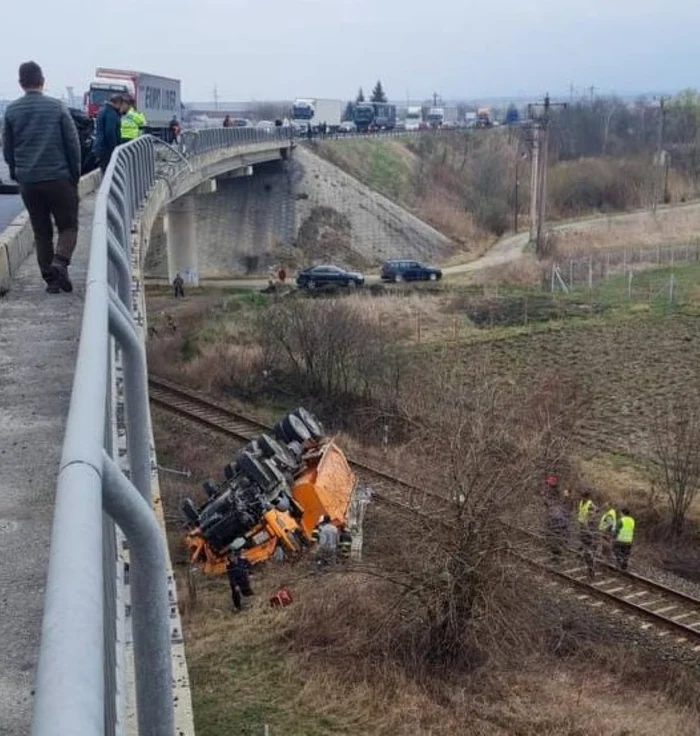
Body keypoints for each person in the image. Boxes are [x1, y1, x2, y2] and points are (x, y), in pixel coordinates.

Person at [2, 61, 81, 294]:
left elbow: (7, 148)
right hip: (58, 179)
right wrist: (74, 174)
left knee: (41, 231)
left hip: (28, 181)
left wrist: (17, 172)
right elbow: (72, 144)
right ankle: (60, 262)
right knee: (68, 226)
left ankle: (52, 281)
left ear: (20, 83)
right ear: (42, 81)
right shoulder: (57, 107)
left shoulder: (12, 111)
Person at [94, 93, 123, 173]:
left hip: (100, 146)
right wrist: (114, 148)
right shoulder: (111, 113)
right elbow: (110, 132)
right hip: (107, 148)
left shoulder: (102, 109)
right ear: (118, 103)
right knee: (108, 170)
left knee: (103, 169)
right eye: (121, 105)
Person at [577, 490, 596, 579]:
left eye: (583, 497)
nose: (581, 498)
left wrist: (588, 529)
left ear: (586, 497)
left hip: (588, 529)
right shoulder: (581, 502)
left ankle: (591, 570)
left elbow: (592, 518)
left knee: (588, 550)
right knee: (584, 546)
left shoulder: (590, 505)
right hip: (582, 527)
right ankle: (583, 556)